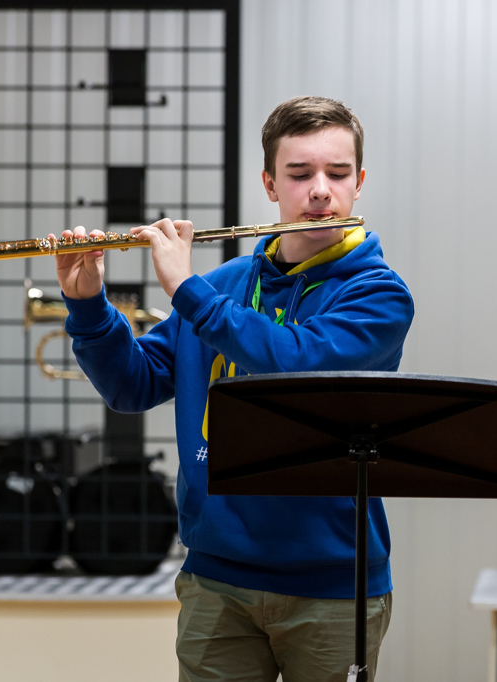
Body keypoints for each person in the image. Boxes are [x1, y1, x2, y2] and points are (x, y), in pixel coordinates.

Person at [54, 96, 414, 682]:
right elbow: (132, 385)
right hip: (216, 577)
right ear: (271, 184)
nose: (320, 190)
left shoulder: (378, 296)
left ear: (359, 182)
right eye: (300, 174)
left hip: (331, 583)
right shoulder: (224, 287)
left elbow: (294, 362)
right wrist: (87, 304)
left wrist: (185, 288)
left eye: (337, 173)